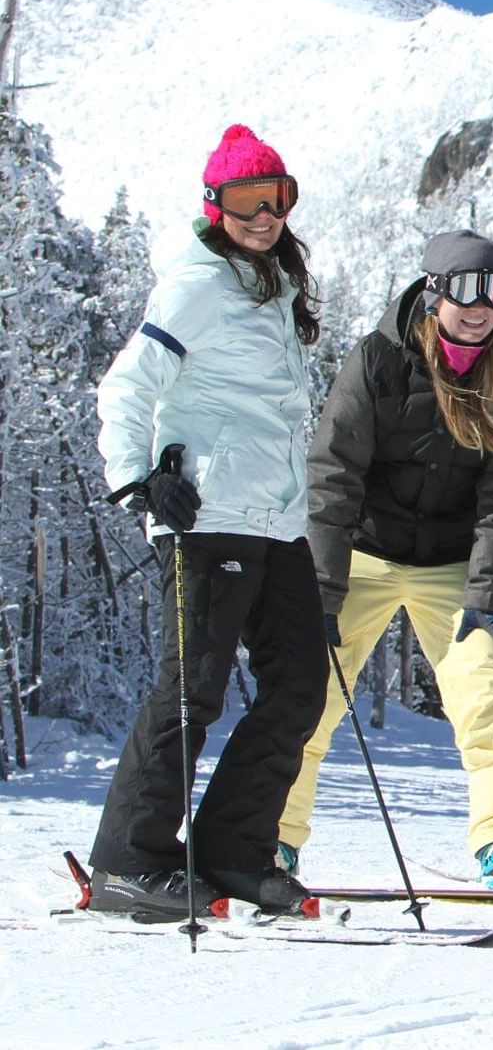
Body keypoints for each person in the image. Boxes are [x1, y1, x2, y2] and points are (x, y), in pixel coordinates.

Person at [89, 124, 327, 916]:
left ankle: (230, 851)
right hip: (207, 510)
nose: (264, 215)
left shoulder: (274, 284)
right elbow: (128, 385)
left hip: (277, 521)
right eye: (245, 200)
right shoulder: (197, 283)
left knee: (298, 685)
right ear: (213, 204)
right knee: (193, 689)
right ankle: (129, 859)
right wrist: (137, 481)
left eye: (277, 198)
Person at [282, 230, 493, 886]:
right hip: (365, 550)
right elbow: (334, 476)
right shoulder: (379, 358)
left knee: (485, 687)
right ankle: (267, 833)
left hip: (451, 559)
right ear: (433, 292)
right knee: (308, 689)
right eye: (464, 291)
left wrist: (489, 598)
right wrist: (323, 595)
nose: (479, 308)